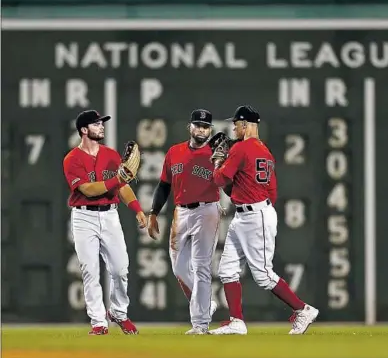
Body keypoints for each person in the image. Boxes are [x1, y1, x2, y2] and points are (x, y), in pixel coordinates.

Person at [208, 105, 319, 335]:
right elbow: (268, 191)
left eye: (236, 124)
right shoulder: (265, 151)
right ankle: (236, 321)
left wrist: (217, 161)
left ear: (246, 125)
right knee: (227, 269)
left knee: (263, 275)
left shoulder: (241, 148)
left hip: (255, 215)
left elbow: (220, 180)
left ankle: (303, 309)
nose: (234, 127)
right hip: (250, 211)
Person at [63, 110, 147, 335]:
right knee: (90, 271)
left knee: (121, 269)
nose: (101, 126)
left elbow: (123, 186)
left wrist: (137, 209)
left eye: (102, 123)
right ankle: (98, 322)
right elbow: (88, 190)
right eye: (96, 124)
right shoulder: (72, 159)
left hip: (110, 214)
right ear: (83, 130)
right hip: (84, 216)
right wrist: (118, 178)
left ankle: (119, 313)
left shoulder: (110, 155)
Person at [146, 109, 221, 335]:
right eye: (198, 125)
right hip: (181, 212)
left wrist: (223, 162)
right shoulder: (174, 152)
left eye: (206, 126)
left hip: (207, 210)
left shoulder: (216, 154)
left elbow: (227, 182)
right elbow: (164, 186)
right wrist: (153, 213)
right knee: (179, 267)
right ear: (190, 127)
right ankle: (206, 303)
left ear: (211, 130)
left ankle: (200, 324)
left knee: (201, 267)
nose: (201, 129)